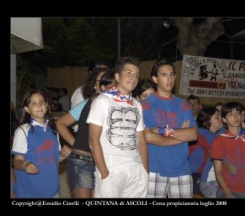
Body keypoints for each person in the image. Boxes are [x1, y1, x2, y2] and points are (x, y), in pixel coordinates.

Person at [88, 56, 148, 198]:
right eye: (128, 73)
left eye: (136, 75)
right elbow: (93, 141)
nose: (133, 78)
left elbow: (142, 140)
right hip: (111, 167)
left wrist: (145, 170)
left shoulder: (137, 105)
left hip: (136, 168)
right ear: (117, 76)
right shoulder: (102, 101)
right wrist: (104, 174)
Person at [142, 59, 198, 198]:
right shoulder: (146, 105)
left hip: (182, 169)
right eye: (164, 75)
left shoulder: (183, 104)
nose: (169, 78)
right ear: (155, 78)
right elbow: (148, 137)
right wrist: (180, 135)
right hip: (154, 168)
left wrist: (160, 131)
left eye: (172, 74)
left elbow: (192, 135)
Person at [56, 68, 114, 198]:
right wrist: (75, 144)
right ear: (94, 85)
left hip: (103, 161)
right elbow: (60, 123)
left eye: (111, 80)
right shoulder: (89, 103)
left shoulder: (114, 104)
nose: (109, 84)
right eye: (103, 80)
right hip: (83, 160)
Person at [11, 89, 71, 198]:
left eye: (42, 102)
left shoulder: (53, 130)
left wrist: (63, 154)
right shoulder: (23, 131)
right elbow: (17, 162)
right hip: (28, 192)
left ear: (47, 105)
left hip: (53, 191)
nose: (39, 105)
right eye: (34, 103)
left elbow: (54, 159)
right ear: (27, 109)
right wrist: (25, 164)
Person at [188, 107, 224, 198]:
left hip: (191, 177)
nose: (221, 119)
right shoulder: (206, 134)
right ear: (207, 122)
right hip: (196, 179)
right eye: (217, 117)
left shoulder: (202, 132)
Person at [70, 61, 109, 132]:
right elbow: (73, 122)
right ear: (91, 74)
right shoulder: (81, 92)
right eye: (98, 70)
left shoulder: (109, 98)